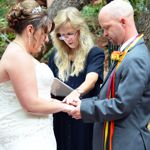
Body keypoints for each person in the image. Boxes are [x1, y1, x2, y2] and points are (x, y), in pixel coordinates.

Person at [70, 0, 150, 150]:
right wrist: (79, 103)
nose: (105, 34)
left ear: (123, 22)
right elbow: (108, 96)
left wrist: (85, 108)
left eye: (107, 27)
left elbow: (121, 105)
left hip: (127, 144)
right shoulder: (127, 53)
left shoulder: (136, 58)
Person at [0, 1, 74, 150]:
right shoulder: (17, 56)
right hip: (24, 138)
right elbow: (31, 104)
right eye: (44, 33)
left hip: (37, 133)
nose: (46, 39)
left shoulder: (21, 54)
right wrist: (65, 107)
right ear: (29, 30)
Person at [48, 7, 105, 150]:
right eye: (62, 35)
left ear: (81, 30)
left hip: (83, 117)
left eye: (70, 34)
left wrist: (76, 93)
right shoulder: (55, 55)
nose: (67, 39)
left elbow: (91, 80)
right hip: (60, 116)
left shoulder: (94, 53)